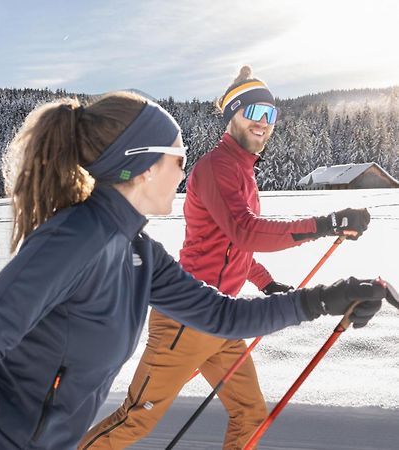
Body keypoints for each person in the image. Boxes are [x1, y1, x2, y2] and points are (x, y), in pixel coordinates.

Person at [0, 92, 384, 450]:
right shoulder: (77, 238)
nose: (183, 170)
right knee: (138, 417)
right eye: (178, 157)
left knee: (245, 410)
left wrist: (328, 298)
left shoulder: (137, 251)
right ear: (142, 164)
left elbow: (225, 316)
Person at [78, 69, 374, 450]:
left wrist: (264, 281)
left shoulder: (242, 172)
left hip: (222, 319)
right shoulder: (217, 167)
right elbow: (245, 231)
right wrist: (326, 223)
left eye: (272, 116)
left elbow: (235, 248)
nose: (264, 124)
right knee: (136, 417)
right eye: (255, 112)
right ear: (233, 114)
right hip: (187, 315)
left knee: (249, 414)